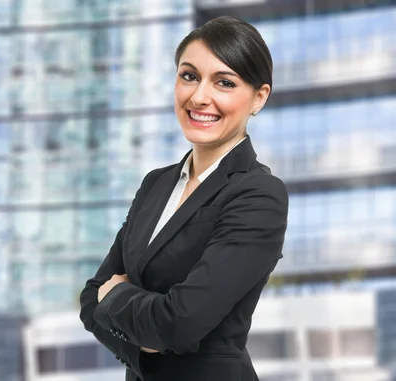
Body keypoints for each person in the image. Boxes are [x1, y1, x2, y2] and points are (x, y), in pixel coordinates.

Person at [79, 15, 289, 381]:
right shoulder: (155, 185)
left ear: (259, 97)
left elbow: (179, 323)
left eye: (224, 82)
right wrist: (147, 334)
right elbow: (88, 300)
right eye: (189, 76)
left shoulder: (258, 194)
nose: (199, 96)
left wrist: (116, 298)